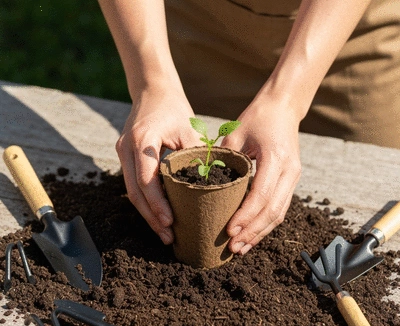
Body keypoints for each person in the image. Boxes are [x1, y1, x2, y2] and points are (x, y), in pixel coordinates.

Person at [97, 0, 400, 255]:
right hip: (205, 25)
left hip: (347, 31)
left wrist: (287, 98)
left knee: (369, 175)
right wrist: (153, 82)